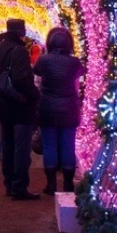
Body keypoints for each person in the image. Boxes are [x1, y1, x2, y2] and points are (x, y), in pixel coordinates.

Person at [0, 19, 41, 200]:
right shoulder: (18, 50)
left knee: (8, 147)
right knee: (21, 148)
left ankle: (9, 183)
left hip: (2, 105)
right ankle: (19, 186)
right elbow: (21, 80)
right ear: (22, 32)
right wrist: (34, 94)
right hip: (19, 106)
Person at [33, 27, 87, 195]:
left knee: (49, 145)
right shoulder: (75, 62)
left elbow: (37, 80)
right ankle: (68, 183)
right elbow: (80, 81)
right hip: (69, 109)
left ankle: (51, 184)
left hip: (48, 108)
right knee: (68, 145)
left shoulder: (43, 60)